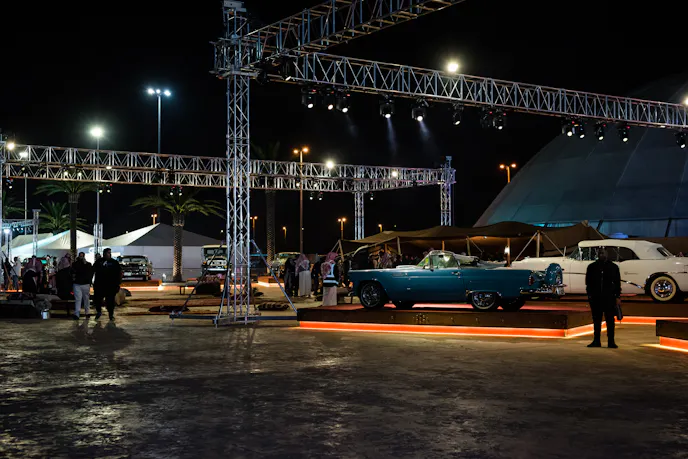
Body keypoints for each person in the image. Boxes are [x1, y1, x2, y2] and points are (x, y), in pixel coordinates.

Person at [585, 248, 621, 348]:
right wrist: (590, 295)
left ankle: (611, 341)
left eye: (603, 253)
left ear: (607, 254)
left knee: (610, 320)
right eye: (600, 253)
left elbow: (617, 283)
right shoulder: (592, 267)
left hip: (609, 297)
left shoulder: (613, 267)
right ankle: (596, 340)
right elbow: (588, 282)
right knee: (597, 320)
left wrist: (617, 296)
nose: (601, 255)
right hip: (596, 298)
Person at [93, 248, 122, 321]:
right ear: (104, 254)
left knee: (110, 301)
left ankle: (111, 314)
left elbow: (119, 273)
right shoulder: (99, 262)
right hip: (100, 285)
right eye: (108, 253)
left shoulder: (114, 262)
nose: (110, 254)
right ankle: (98, 311)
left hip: (110, 285)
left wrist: (118, 284)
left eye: (110, 253)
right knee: (98, 300)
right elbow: (93, 270)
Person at [71, 252, 94, 320]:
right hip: (84, 283)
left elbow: (73, 272)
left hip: (78, 283)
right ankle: (86, 312)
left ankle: (78, 314)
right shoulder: (87, 264)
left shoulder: (75, 264)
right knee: (85, 299)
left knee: (79, 299)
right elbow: (90, 273)